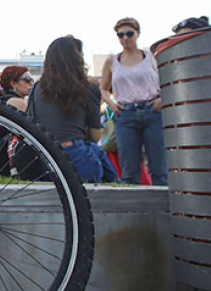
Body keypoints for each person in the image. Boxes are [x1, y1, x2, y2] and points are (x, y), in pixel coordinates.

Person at [28, 36, 117, 184]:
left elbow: (31, 123)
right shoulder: (88, 88)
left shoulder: (36, 89)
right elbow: (96, 136)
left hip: (44, 159)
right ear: (77, 59)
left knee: (97, 153)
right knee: (96, 152)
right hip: (76, 156)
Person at [100, 17, 166, 186]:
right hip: (125, 113)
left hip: (152, 111)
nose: (125, 38)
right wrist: (111, 103)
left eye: (129, 34)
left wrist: (161, 99)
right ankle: (133, 207)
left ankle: (163, 207)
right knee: (129, 168)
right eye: (120, 35)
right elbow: (103, 88)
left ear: (137, 34)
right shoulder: (112, 61)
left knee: (159, 167)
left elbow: (167, 81)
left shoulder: (151, 57)